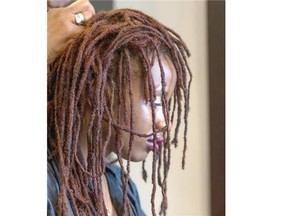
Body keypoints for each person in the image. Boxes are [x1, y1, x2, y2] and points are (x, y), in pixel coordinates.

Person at [48, 8, 192, 216]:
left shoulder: (122, 187)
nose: (165, 123)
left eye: (166, 103)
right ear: (97, 89)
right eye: (153, 100)